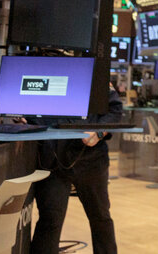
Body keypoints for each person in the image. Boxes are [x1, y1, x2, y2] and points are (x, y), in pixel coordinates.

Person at [31, 83, 124, 254]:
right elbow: (27, 108)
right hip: (51, 158)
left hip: (90, 158)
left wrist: (99, 132)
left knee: (100, 217)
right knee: (50, 219)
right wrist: (23, 119)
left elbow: (115, 110)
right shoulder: (41, 73)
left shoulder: (94, 75)